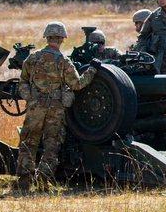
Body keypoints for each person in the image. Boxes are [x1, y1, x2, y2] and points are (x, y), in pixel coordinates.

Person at [12, 22, 100, 192]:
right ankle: (43, 182)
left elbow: (22, 81)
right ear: (62, 39)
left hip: (35, 107)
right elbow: (77, 84)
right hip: (55, 108)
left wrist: (30, 98)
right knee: (52, 144)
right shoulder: (63, 61)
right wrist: (92, 70)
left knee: (29, 141)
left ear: (47, 37)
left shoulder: (33, 58)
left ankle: (23, 181)